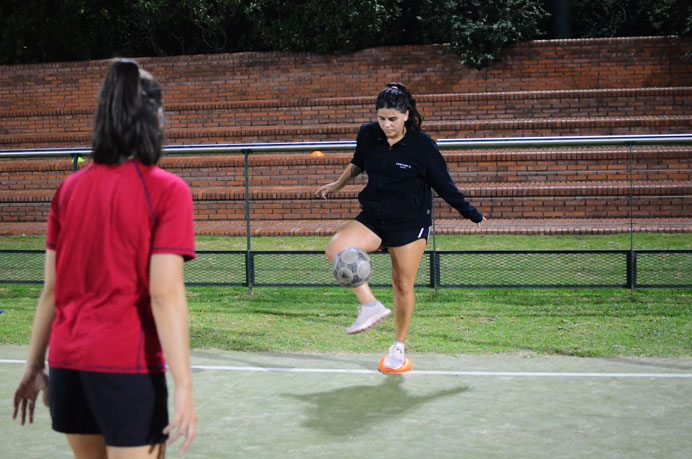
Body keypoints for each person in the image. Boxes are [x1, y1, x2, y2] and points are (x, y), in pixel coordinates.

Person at [12, 59, 198, 457]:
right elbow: (164, 295)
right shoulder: (168, 191)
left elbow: (51, 291)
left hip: (67, 366)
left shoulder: (68, 190)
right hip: (125, 367)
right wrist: (184, 386)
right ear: (153, 117)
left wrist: (33, 366)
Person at [315, 82, 486, 373]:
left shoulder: (423, 145)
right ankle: (369, 306)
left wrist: (472, 214)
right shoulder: (368, 134)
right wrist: (336, 185)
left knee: (402, 285)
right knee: (336, 248)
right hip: (375, 216)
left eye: (392, 119)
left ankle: (398, 347)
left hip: (410, 221)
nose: (386, 124)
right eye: (381, 118)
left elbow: (444, 185)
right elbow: (358, 163)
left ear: (406, 115)